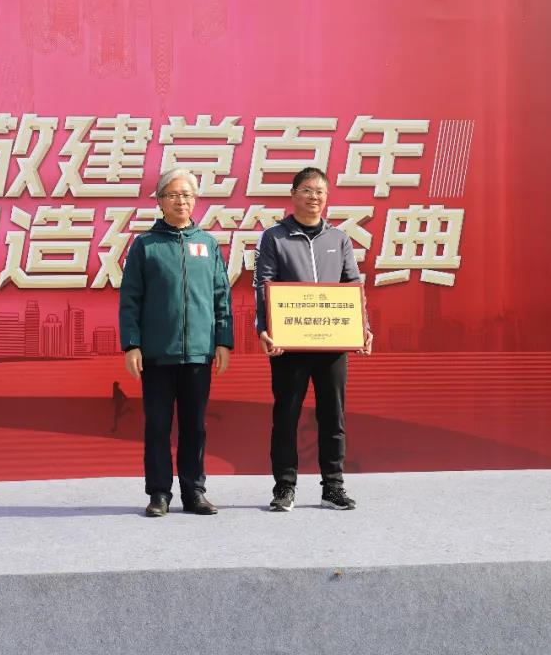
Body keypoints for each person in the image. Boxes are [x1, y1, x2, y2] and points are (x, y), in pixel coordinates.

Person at [254, 166, 372, 512]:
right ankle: (284, 487)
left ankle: (333, 487)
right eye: (306, 190)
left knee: (333, 416)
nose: (313, 197)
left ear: (327, 197)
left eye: (320, 191)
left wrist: (363, 328)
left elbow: (353, 285)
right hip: (289, 344)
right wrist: (264, 329)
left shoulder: (339, 239)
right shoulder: (274, 237)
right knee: (286, 416)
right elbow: (264, 284)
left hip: (333, 344)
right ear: (293, 195)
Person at [119, 168, 234, 517]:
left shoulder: (208, 244)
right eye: (172, 195)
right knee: (157, 426)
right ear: (159, 201)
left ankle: (194, 491)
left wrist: (223, 341)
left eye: (186, 195)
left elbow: (221, 296)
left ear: (194, 200)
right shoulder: (145, 246)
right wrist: (132, 344)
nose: (180, 201)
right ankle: (159, 493)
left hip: (199, 353)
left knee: (194, 427)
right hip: (157, 354)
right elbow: (130, 299)